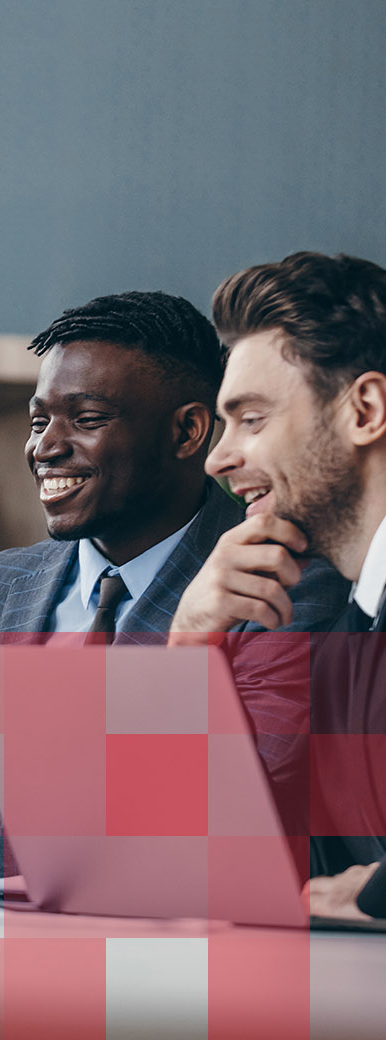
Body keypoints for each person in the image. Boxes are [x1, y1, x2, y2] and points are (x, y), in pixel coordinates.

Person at [0, 291, 348, 882]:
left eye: (85, 420)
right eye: (38, 421)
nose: (45, 448)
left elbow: (228, 838)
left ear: (188, 431)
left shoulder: (283, 587)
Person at [169, 251, 386, 919]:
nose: (217, 458)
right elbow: (229, 862)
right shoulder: (348, 626)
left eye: (252, 419)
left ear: (366, 410)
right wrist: (190, 647)